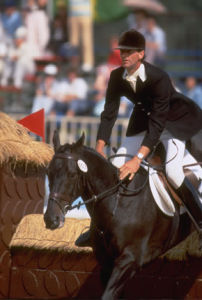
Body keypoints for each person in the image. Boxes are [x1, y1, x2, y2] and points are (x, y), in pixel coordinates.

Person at [76, 29, 202, 247]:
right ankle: (97, 227)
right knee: (114, 166)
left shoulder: (159, 77)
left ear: (141, 54)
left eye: (129, 51)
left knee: (172, 172)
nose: (123, 55)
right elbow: (109, 114)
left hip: (171, 123)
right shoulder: (116, 77)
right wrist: (99, 149)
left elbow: (158, 123)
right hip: (143, 122)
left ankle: (200, 223)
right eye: (122, 51)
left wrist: (137, 159)